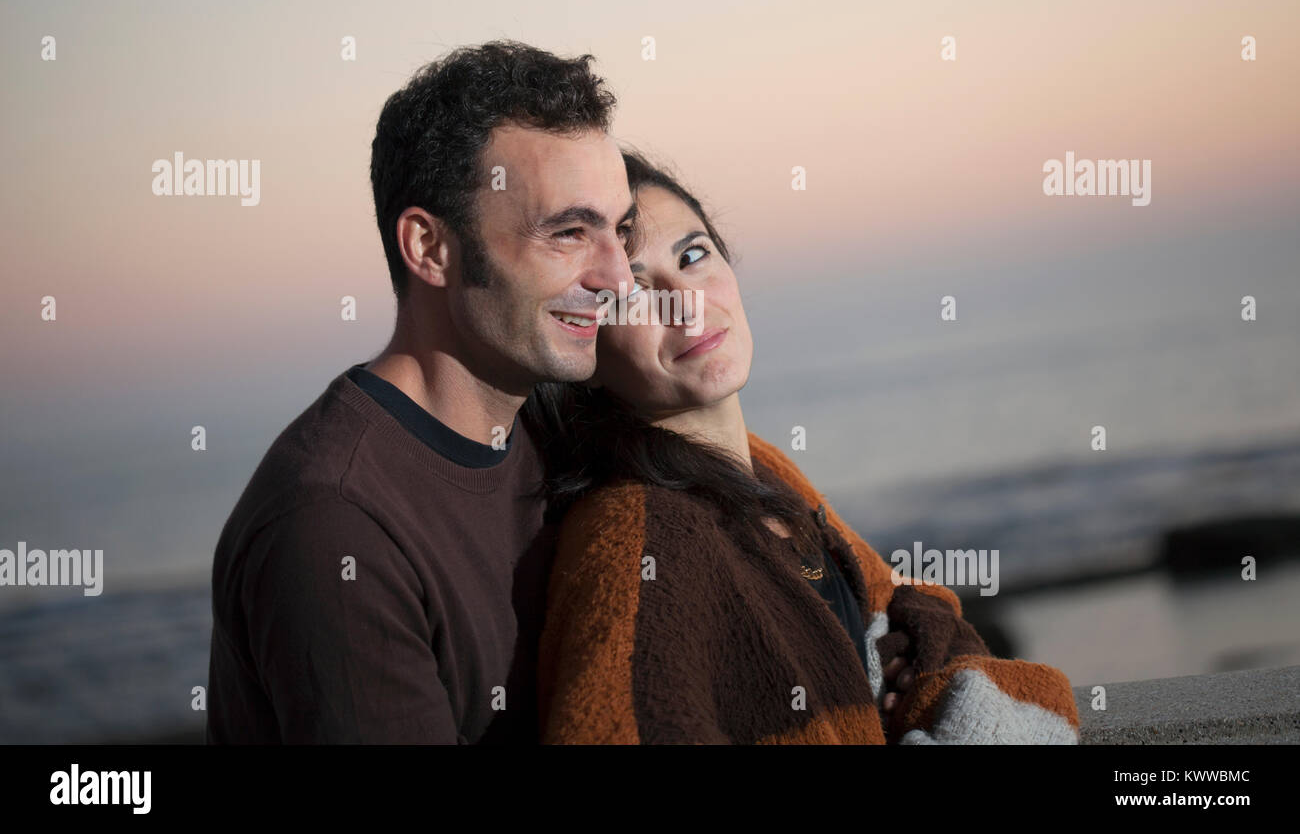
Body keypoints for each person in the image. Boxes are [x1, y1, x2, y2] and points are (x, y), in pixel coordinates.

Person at [522, 149, 1081, 744]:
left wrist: (904, 668)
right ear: (585, 346)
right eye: (634, 293)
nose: (688, 303)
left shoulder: (762, 468)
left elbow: (898, 603)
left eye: (693, 256)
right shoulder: (641, 534)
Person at [206, 41, 639, 743]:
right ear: (431, 249)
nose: (619, 280)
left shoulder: (555, 427)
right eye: (568, 233)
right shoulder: (333, 526)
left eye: (619, 232)